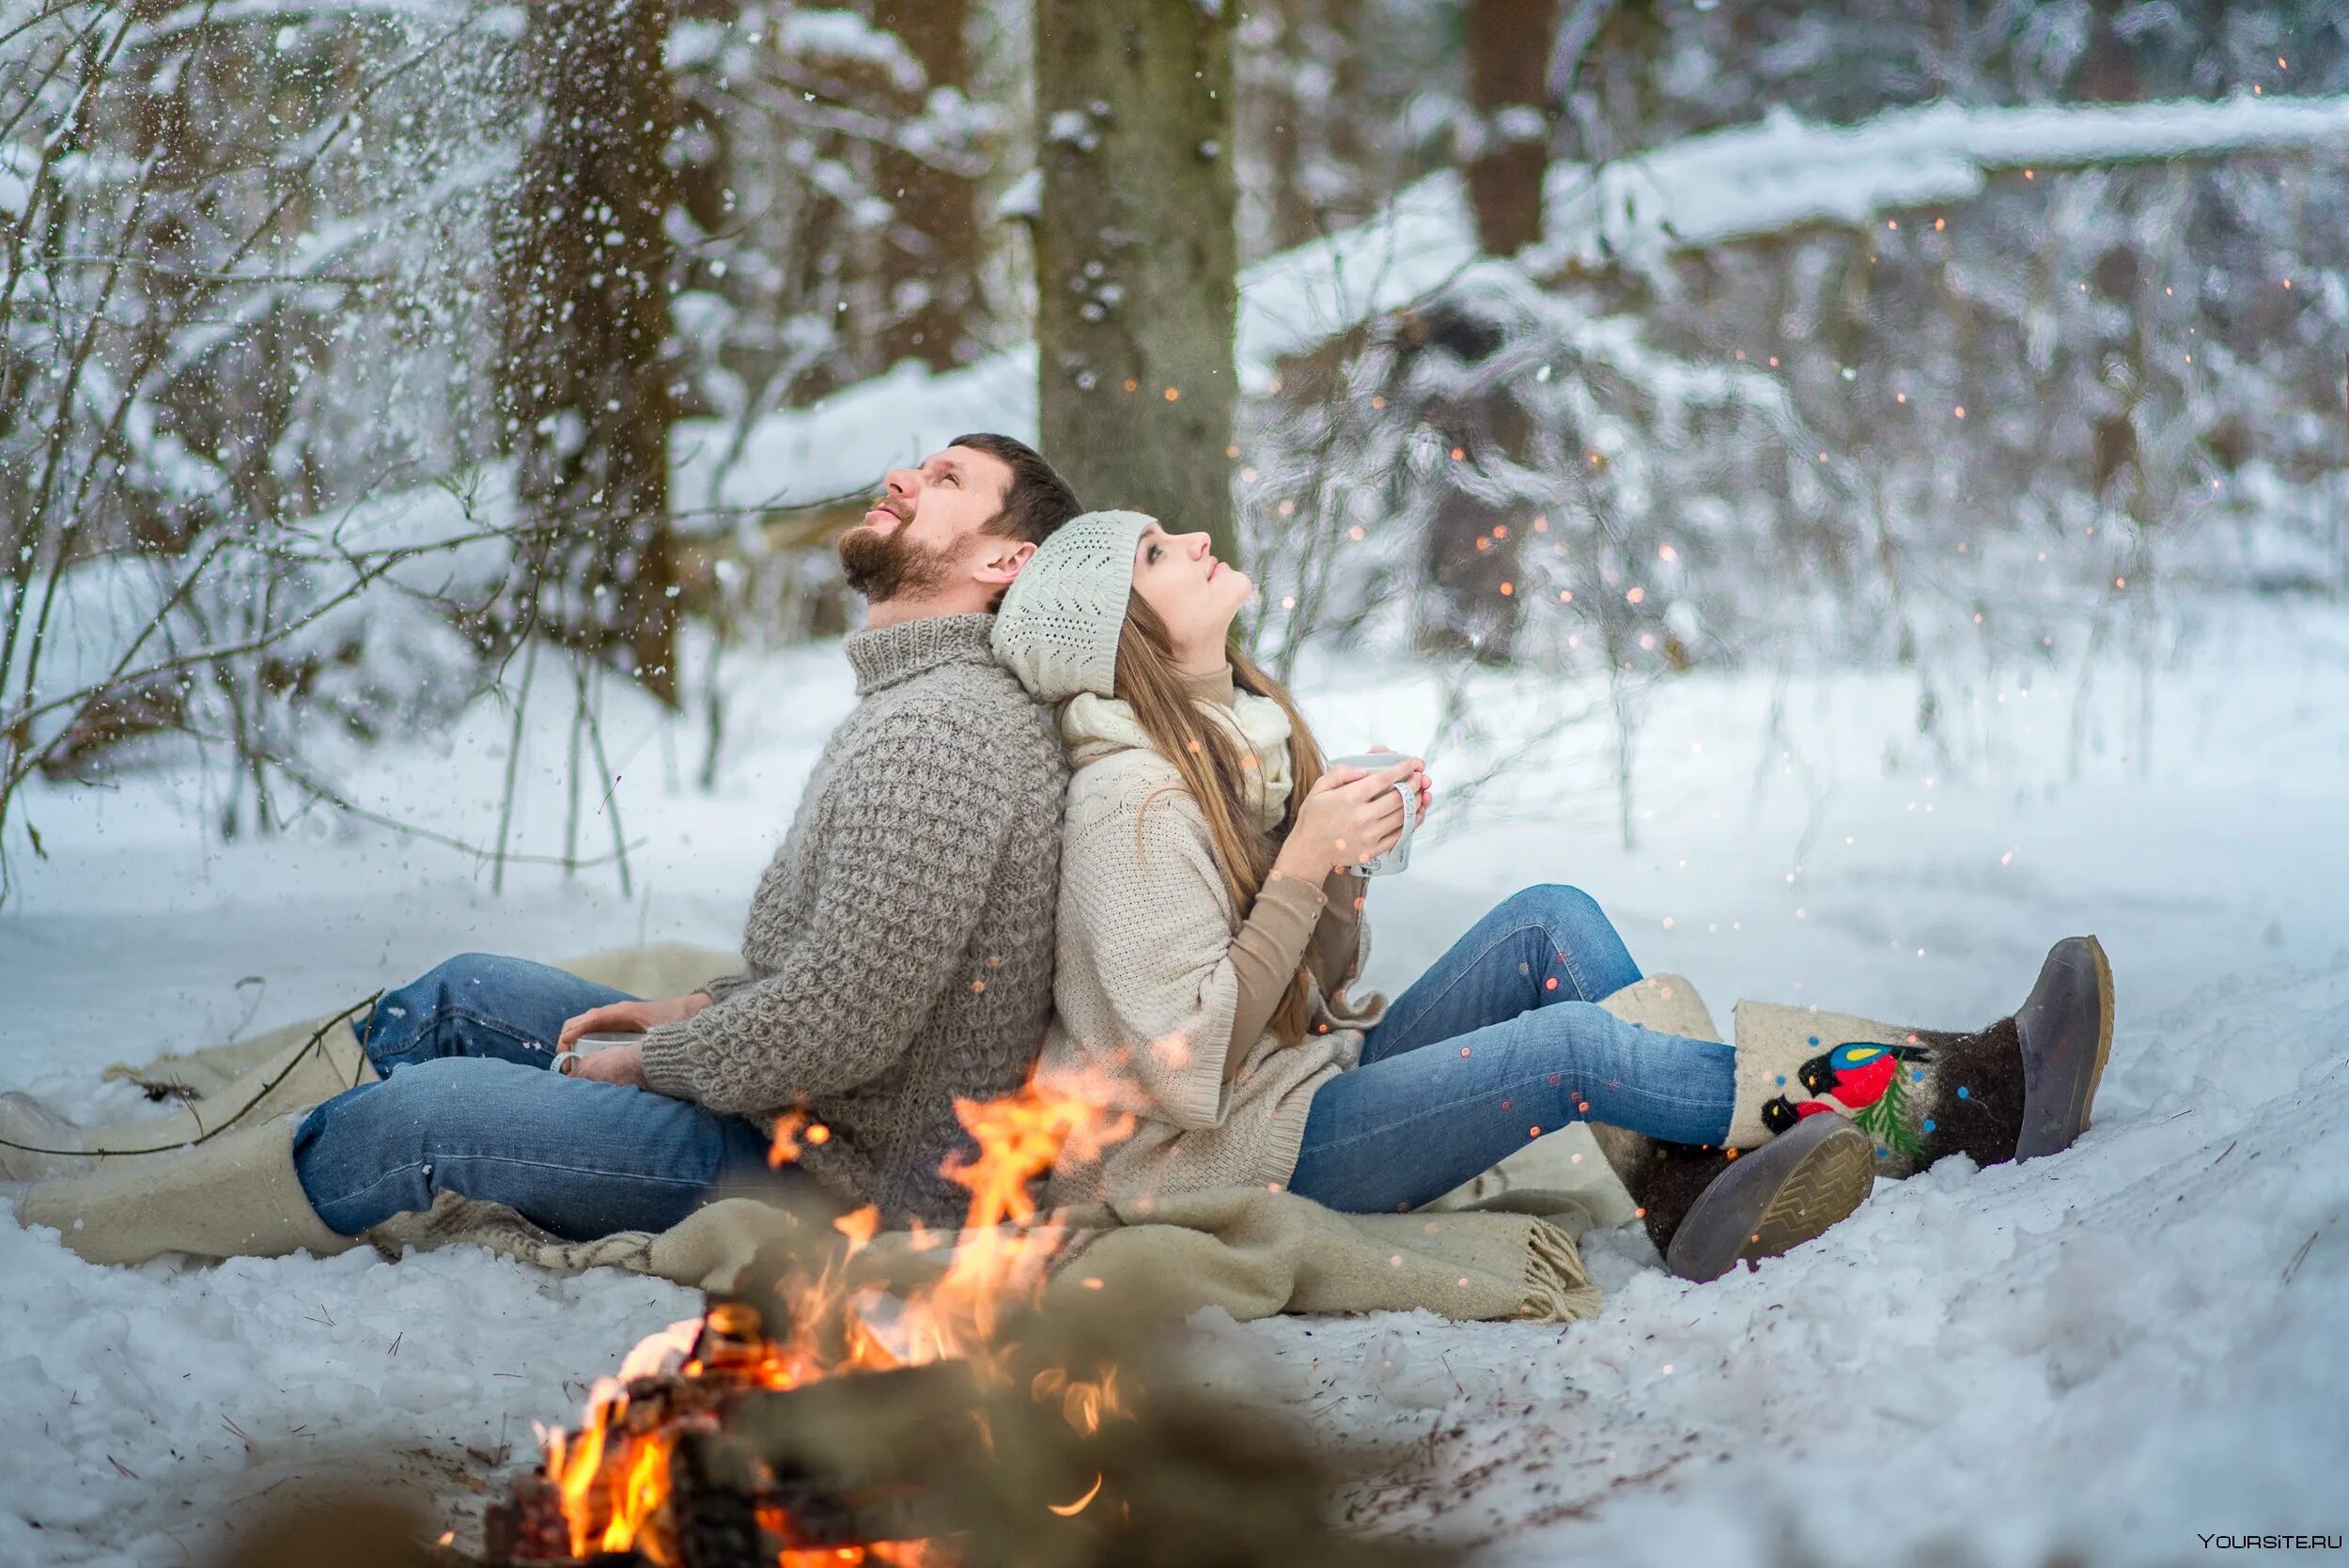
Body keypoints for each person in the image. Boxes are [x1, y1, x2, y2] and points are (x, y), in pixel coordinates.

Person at [6, 434, 1086, 1264]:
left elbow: (843, 1020)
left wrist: (655, 1063)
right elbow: (837, 979)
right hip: (798, 1112)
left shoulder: (948, 730)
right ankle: (150, 1127)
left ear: (1005, 558)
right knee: (466, 992)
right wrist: (695, 1009)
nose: (901, 475)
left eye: (944, 479)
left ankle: (77, 1212)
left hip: (839, 1179)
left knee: (424, 1120)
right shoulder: (922, 701)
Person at [988, 510, 2115, 1281]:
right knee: (1572, 1049)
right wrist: (1299, 865)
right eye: (1151, 554)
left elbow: (1304, 994)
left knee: (1550, 917)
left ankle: (1691, 1193)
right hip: (1231, 1153)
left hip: (1298, 1082)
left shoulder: (1237, 747)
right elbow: (1186, 1075)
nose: (1187, 538)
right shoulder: (1126, 807)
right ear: (1122, 632)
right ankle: (1972, 1100)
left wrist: (1338, 866)